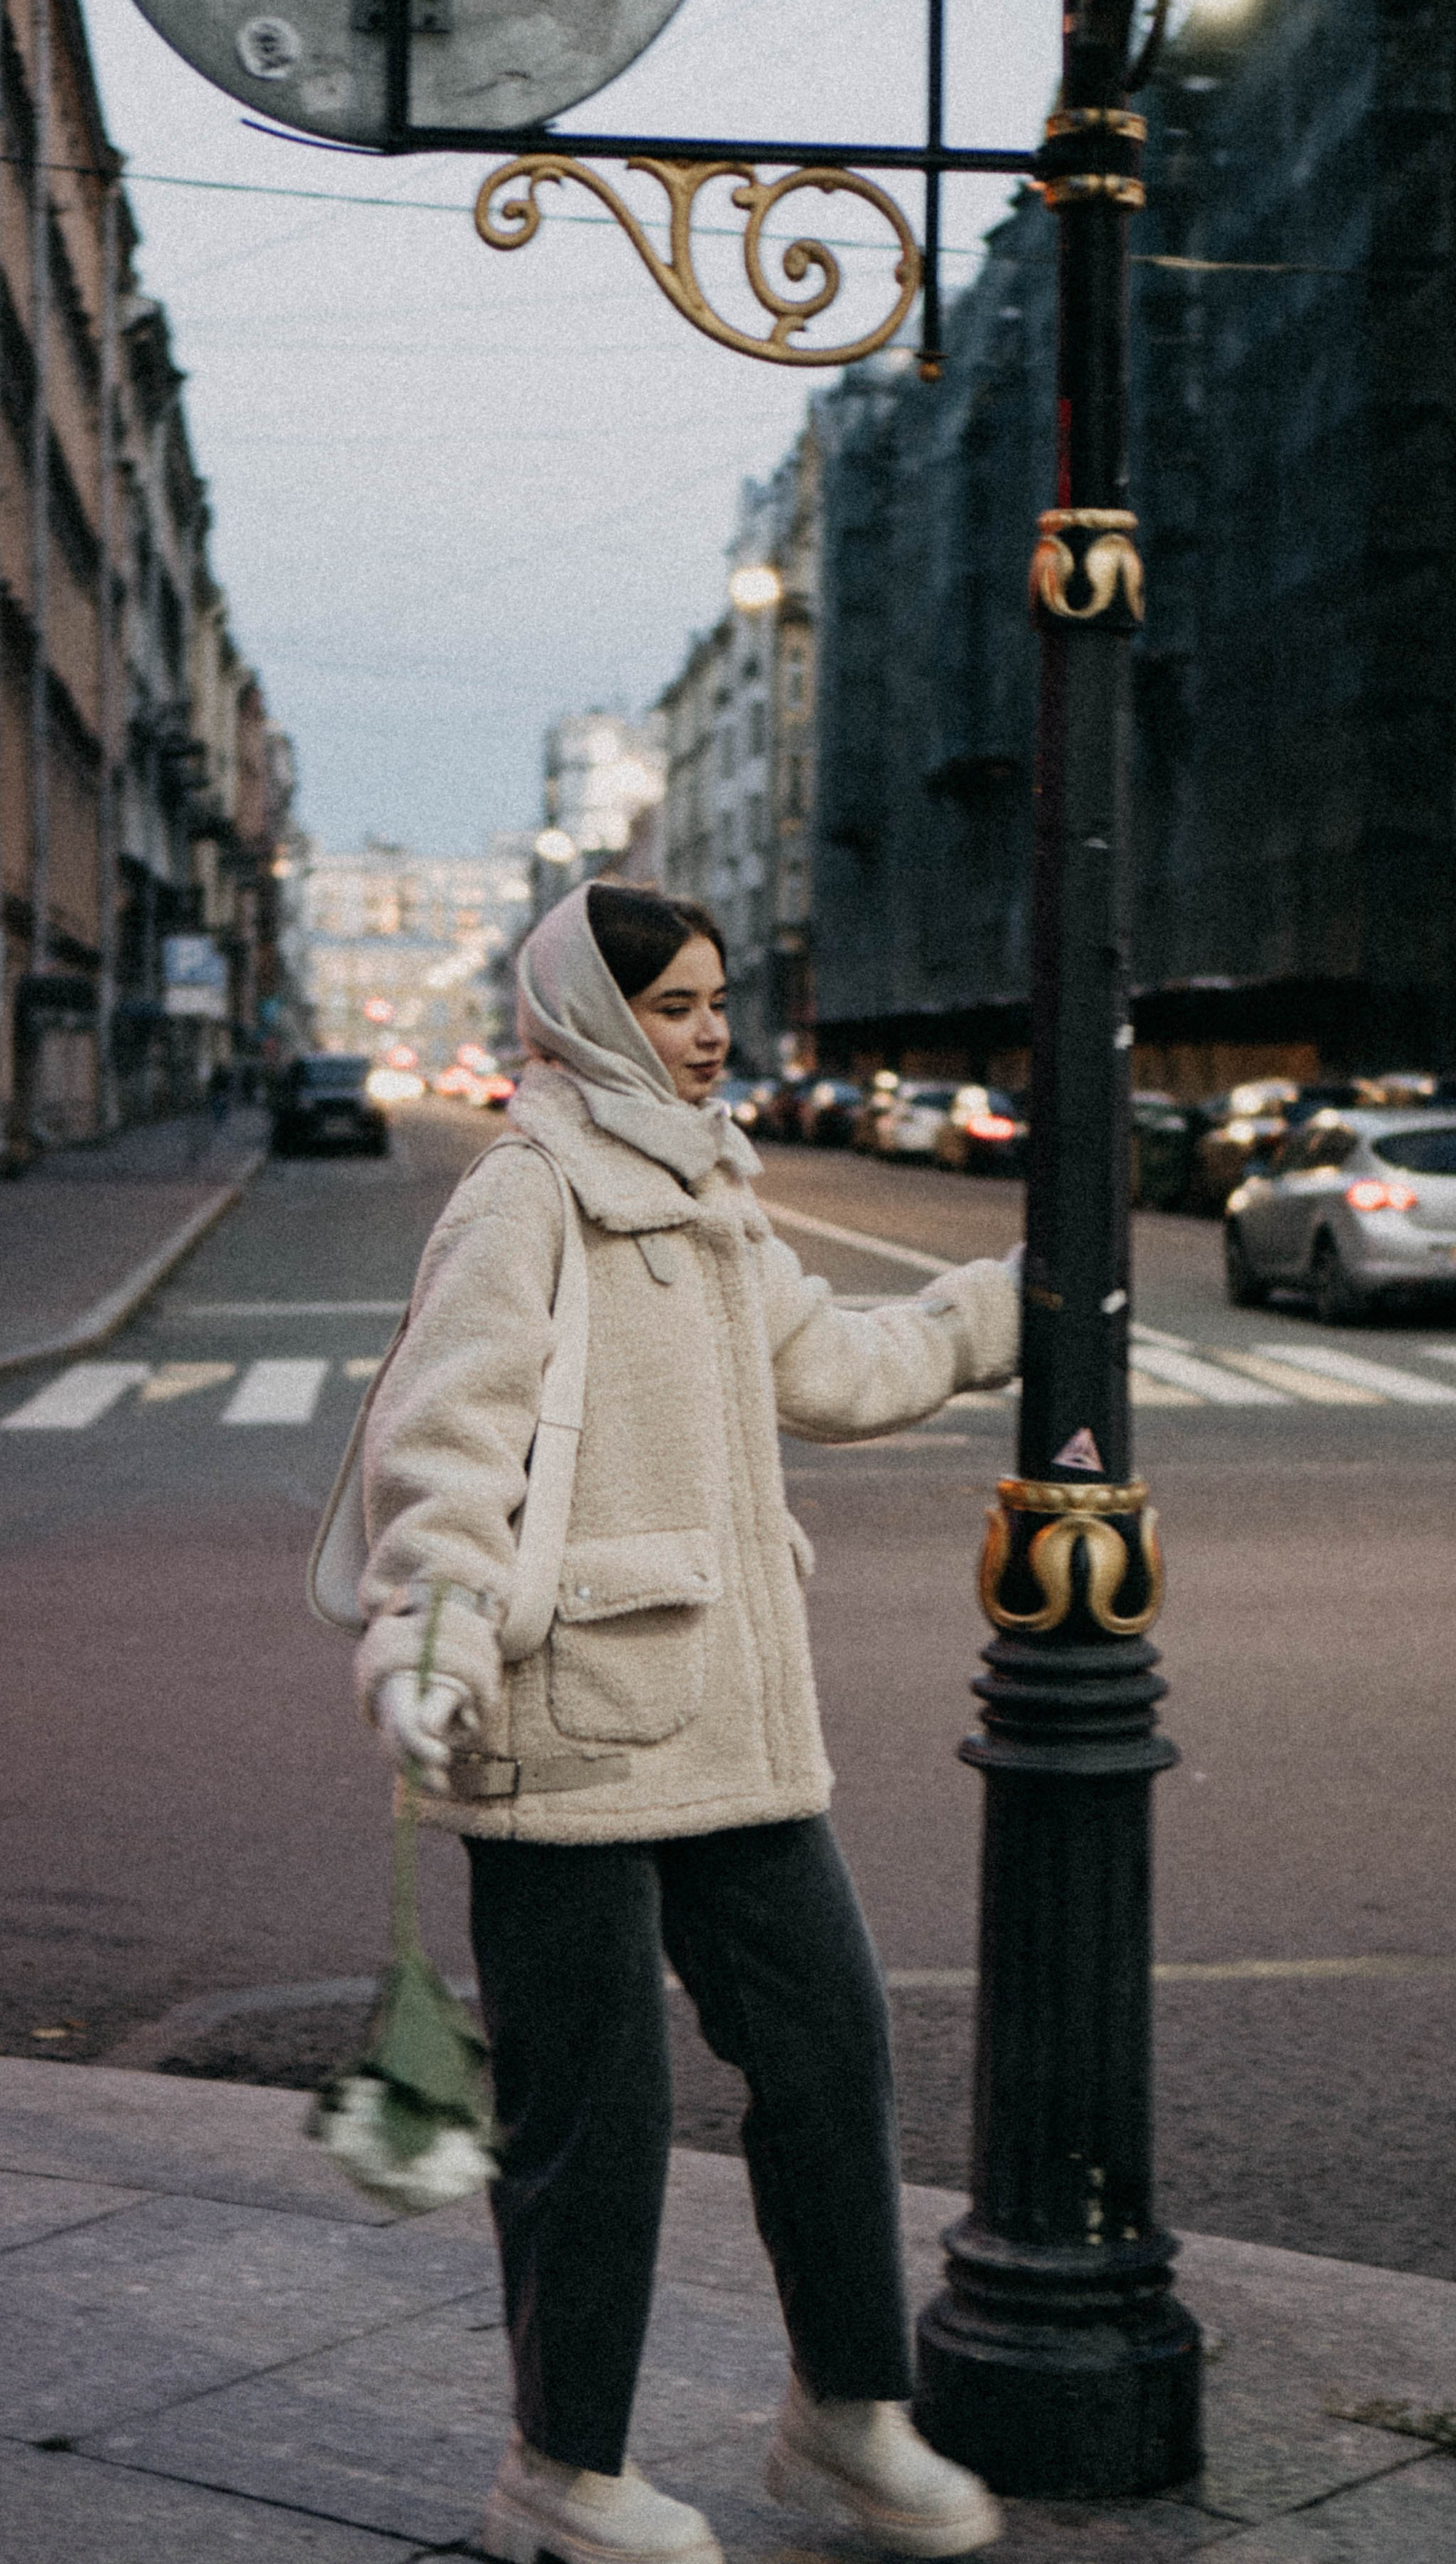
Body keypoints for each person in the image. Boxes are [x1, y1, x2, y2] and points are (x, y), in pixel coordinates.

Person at [352, 881, 1018, 2564]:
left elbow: (838, 1369)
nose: (711, 1032)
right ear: (590, 1013)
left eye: (719, 1001)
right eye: (673, 1005)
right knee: (599, 2111)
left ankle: (845, 2418)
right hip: (564, 1711)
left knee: (828, 2043)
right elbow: (440, 1448)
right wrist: (426, 1648)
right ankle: (559, 2473)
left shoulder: (709, 1187)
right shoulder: (528, 1197)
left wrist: (1009, 1302)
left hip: (726, 1711)